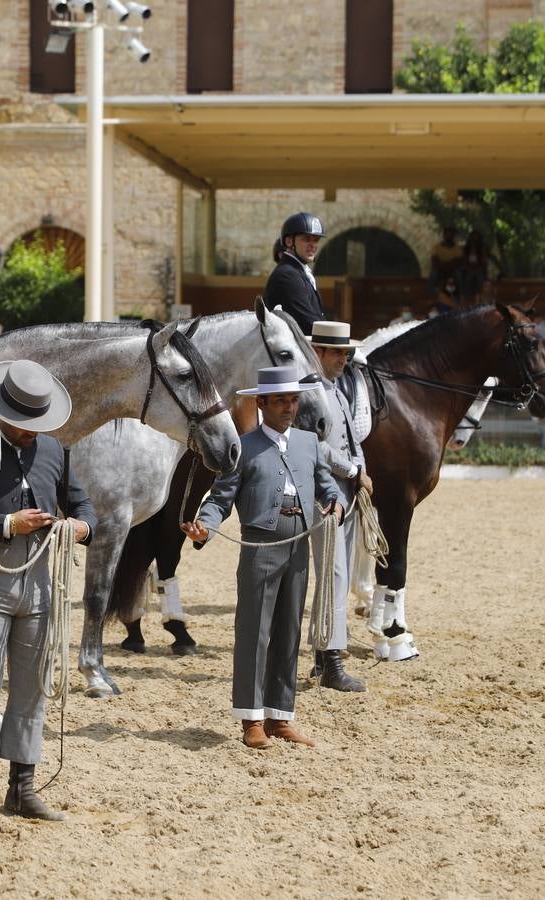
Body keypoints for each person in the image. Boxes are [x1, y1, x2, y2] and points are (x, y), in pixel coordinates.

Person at [0, 359, 96, 821]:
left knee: (32, 683)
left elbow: (83, 503)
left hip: (40, 578)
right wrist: (7, 524)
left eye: (36, 425)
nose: (30, 434)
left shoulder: (57, 448)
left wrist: (80, 526)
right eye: (22, 426)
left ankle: (24, 786)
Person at [181, 366, 343, 750]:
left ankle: (280, 716)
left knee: (289, 632)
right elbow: (221, 498)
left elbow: (326, 484)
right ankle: (251, 719)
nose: (290, 407)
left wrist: (334, 502)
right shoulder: (243, 446)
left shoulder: (309, 443)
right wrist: (205, 524)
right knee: (254, 632)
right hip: (260, 544)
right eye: (281, 400)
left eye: (293, 399)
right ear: (262, 403)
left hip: (299, 545)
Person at [306, 321, 368, 693]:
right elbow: (316, 446)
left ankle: (321, 654)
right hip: (323, 495)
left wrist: (361, 474)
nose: (345, 358)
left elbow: (354, 441)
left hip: (345, 493)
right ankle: (332, 661)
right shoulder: (310, 393)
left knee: (337, 576)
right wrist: (353, 470)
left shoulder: (337, 392)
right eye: (338, 352)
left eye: (346, 353)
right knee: (334, 575)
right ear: (320, 353)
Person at [264, 211, 326, 335]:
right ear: (289, 242)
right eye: (307, 239)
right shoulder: (287, 275)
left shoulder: (299, 271)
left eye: (316, 240)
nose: (313, 245)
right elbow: (308, 324)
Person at [427, 225, 464, 299]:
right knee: (434, 272)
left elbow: (458, 263)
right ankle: (430, 294)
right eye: (447, 234)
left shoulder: (458, 248)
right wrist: (450, 263)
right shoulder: (436, 247)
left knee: (458, 273)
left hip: (452, 270)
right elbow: (435, 262)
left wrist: (443, 263)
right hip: (440, 270)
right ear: (444, 235)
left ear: (453, 236)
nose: (449, 236)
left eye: (451, 234)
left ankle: (461, 293)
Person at [459, 229, 488, 304]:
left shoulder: (482, 248)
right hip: (468, 269)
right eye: (473, 238)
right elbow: (464, 261)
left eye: (476, 238)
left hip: (479, 269)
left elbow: (484, 262)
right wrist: (469, 269)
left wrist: (478, 269)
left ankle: (480, 296)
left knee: (479, 277)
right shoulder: (466, 249)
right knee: (468, 277)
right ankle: (468, 297)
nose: (474, 240)